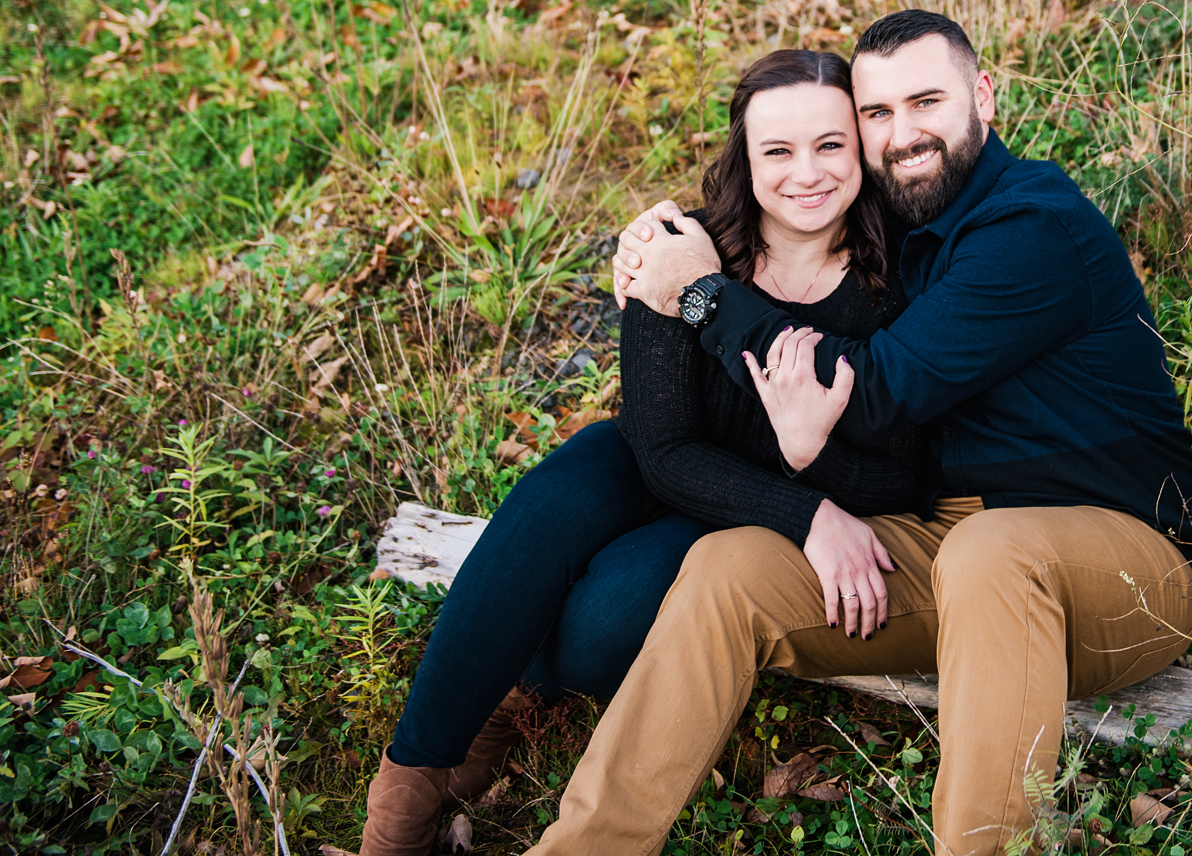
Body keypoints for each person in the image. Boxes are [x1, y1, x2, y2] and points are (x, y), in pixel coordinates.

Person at [567, 9, 1192, 856]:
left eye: (927, 101)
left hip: (1134, 564)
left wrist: (699, 295)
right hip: (950, 541)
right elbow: (790, 205)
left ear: (983, 96)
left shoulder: (1033, 228)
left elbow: (869, 390)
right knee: (730, 566)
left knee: (993, 553)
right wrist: (651, 243)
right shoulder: (904, 218)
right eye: (877, 114)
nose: (903, 134)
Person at [351, 49, 917, 856]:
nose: (808, 174)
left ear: (860, 145)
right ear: (743, 157)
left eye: (830, 145)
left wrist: (805, 493)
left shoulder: (896, 280)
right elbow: (663, 449)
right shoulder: (684, 250)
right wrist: (810, 508)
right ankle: (398, 818)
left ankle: (509, 684)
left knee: (599, 624)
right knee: (556, 499)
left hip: (746, 510)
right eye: (778, 151)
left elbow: (903, 466)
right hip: (664, 463)